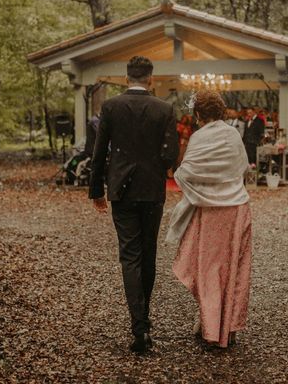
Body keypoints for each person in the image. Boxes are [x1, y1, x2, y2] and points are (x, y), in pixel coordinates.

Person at [89, 56, 179, 353]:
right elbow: (170, 156)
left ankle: (139, 327)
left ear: (128, 78)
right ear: (150, 79)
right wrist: (157, 163)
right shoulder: (164, 109)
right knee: (149, 254)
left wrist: (96, 191)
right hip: (152, 189)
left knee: (130, 256)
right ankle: (144, 320)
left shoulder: (111, 107)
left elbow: (99, 152)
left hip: (121, 190)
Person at [166, 90, 252, 348]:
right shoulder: (234, 134)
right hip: (237, 209)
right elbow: (242, 168)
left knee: (209, 269)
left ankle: (211, 328)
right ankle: (229, 329)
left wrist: (193, 185)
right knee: (235, 271)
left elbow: (185, 173)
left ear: (199, 114)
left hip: (211, 212)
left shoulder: (199, 137)